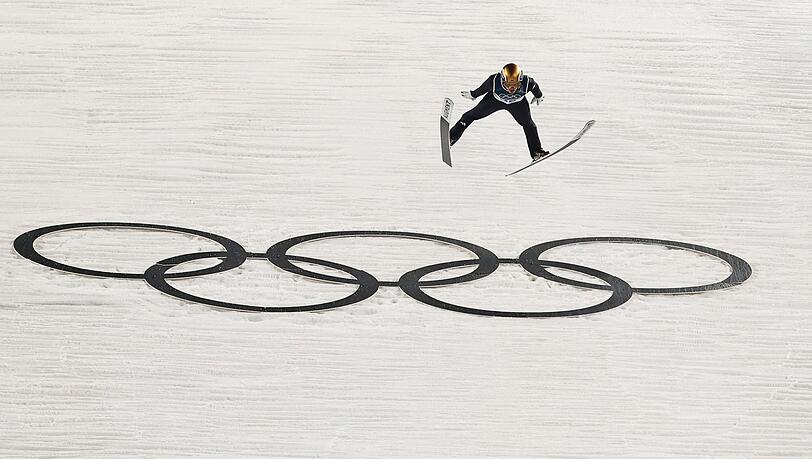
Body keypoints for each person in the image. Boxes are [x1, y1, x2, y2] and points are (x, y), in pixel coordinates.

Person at [450, 63, 548, 160]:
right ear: (502, 79)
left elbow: (536, 89)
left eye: (515, 84)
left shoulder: (528, 82)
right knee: (469, 116)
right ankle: (451, 137)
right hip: (494, 101)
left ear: (520, 80)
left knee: (529, 125)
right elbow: (482, 89)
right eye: (508, 84)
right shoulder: (494, 80)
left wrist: (539, 96)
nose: (511, 88)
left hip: (518, 104)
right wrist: (473, 94)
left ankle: (537, 152)